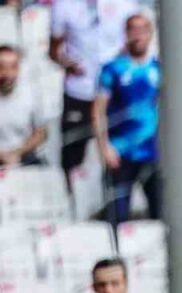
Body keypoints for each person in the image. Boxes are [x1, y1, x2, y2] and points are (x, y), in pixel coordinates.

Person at [50, 0, 136, 188]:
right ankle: (72, 201)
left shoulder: (125, 4)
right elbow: (54, 48)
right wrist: (67, 63)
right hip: (79, 90)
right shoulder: (64, 5)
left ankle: (116, 201)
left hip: (113, 92)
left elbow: (134, 42)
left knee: (116, 150)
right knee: (73, 153)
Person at [93, 12, 160, 225]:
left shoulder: (159, 69)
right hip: (120, 151)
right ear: (126, 34)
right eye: (133, 30)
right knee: (118, 214)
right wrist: (104, 147)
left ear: (150, 34)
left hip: (153, 151)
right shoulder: (113, 69)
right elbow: (98, 111)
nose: (138, 35)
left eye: (143, 30)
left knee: (160, 213)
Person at [0, 44, 47, 167]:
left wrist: (17, 153)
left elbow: (41, 132)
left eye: (13, 67)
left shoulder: (30, 94)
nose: (7, 74)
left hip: (24, 161)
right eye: (2, 67)